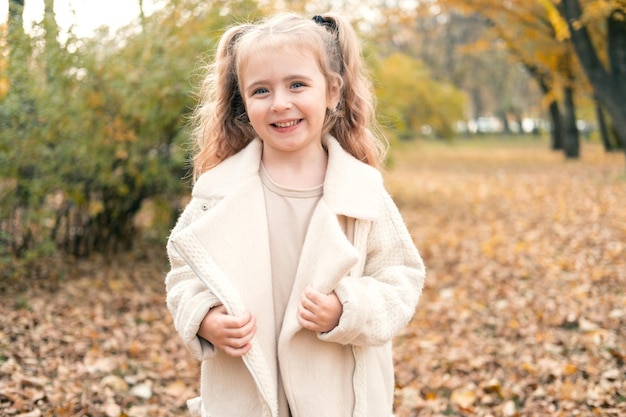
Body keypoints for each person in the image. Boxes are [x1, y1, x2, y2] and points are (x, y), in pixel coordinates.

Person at [165, 11, 425, 417]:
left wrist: (347, 308)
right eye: (261, 91)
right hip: (249, 388)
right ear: (243, 102)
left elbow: (401, 279)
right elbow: (183, 273)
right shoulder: (219, 193)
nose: (280, 103)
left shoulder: (361, 192)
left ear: (332, 91)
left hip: (336, 392)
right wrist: (205, 318)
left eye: (297, 84)